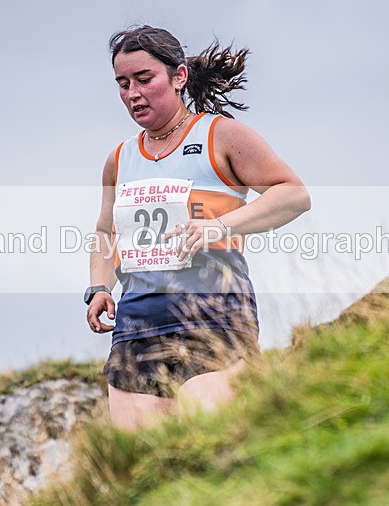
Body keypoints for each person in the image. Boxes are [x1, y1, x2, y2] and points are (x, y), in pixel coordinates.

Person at [85, 25, 310, 432]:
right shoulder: (119, 159)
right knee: (144, 466)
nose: (132, 93)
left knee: (209, 440)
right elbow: (105, 232)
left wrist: (218, 226)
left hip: (214, 312)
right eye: (122, 83)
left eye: (144, 79)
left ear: (178, 77)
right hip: (137, 322)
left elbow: (293, 194)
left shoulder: (220, 135)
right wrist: (98, 287)